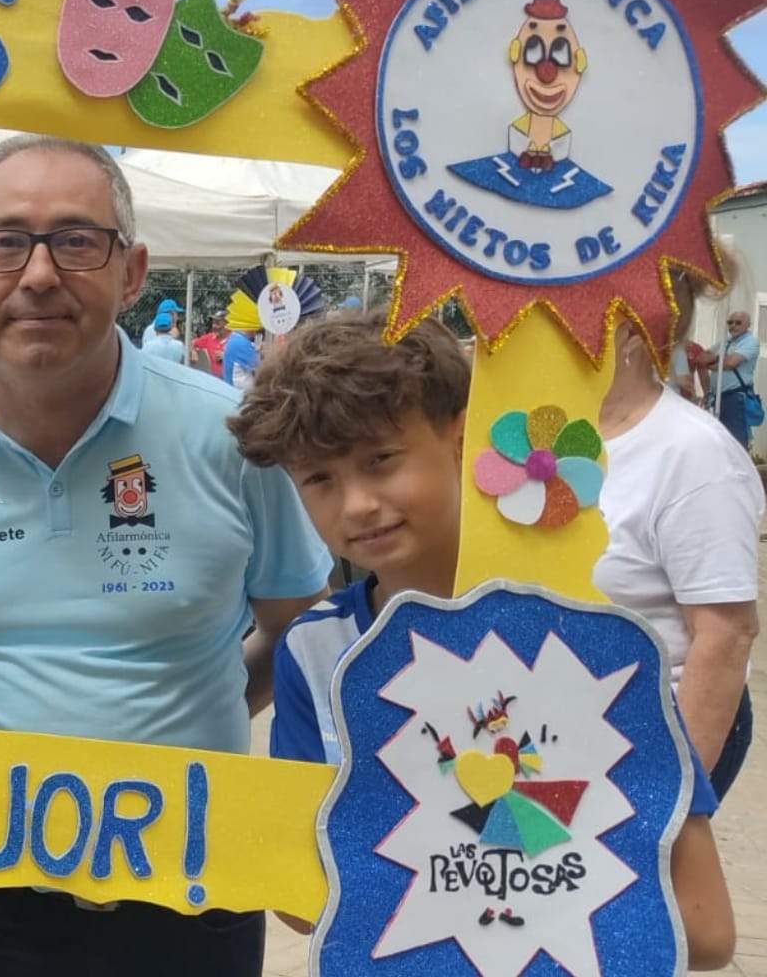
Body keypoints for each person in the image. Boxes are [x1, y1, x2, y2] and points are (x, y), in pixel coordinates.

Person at [0, 135, 330, 976]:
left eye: (76, 240)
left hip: (200, 882)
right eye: (5, 242)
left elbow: (299, 627)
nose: (38, 274)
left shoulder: (231, 438)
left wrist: (209, 695)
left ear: (132, 271)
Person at [233, 311, 736, 969]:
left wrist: (532, 891)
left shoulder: (591, 647)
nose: (356, 504)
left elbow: (706, 931)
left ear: (461, 437)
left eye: (380, 460)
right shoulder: (316, 653)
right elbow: (301, 906)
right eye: (319, 480)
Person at [598, 306, 761, 800]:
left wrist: (671, 801)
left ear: (631, 328)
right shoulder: (529, 432)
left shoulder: (693, 454)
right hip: (561, 728)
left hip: (656, 730)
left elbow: (726, 634)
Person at [712, 308, 758, 449]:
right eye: (730, 322)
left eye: (738, 322)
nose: (733, 326)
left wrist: (715, 361)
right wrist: (721, 362)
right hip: (717, 397)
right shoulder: (726, 342)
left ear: (747, 325)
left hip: (735, 398)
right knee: (719, 441)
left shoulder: (750, 342)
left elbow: (732, 363)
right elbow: (702, 359)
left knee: (735, 442)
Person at [139, 300, 187, 364]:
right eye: (176, 314)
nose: (177, 318)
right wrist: (172, 337)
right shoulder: (152, 330)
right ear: (171, 314)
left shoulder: (152, 329)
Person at [222, 325, 261, 390]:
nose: (255, 333)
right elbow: (258, 367)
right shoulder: (241, 343)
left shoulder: (234, 338)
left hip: (231, 387)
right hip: (239, 391)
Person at [191, 312, 228, 377]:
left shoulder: (235, 340)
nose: (214, 326)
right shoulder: (209, 337)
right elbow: (191, 343)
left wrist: (226, 356)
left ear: (227, 325)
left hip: (230, 382)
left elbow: (245, 362)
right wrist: (193, 351)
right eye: (213, 323)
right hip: (212, 381)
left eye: (217, 323)